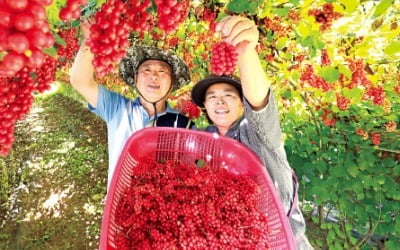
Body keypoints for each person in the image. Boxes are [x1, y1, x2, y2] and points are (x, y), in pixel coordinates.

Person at [191, 15, 313, 249]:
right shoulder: (205, 141)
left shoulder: (256, 133)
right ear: (205, 107)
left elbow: (259, 104)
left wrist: (246, 53)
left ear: (242, 104)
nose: (220, 102)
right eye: (212, 97)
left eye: (229, 95)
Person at [70, 21, 193, 188]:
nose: (154, 76)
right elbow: (80, 81)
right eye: (146, 70)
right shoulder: (117, 108)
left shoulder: (184, 126)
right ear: (135, 80)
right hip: (120, 207)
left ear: (172, 84)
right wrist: (89, 41)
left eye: (162, 71)